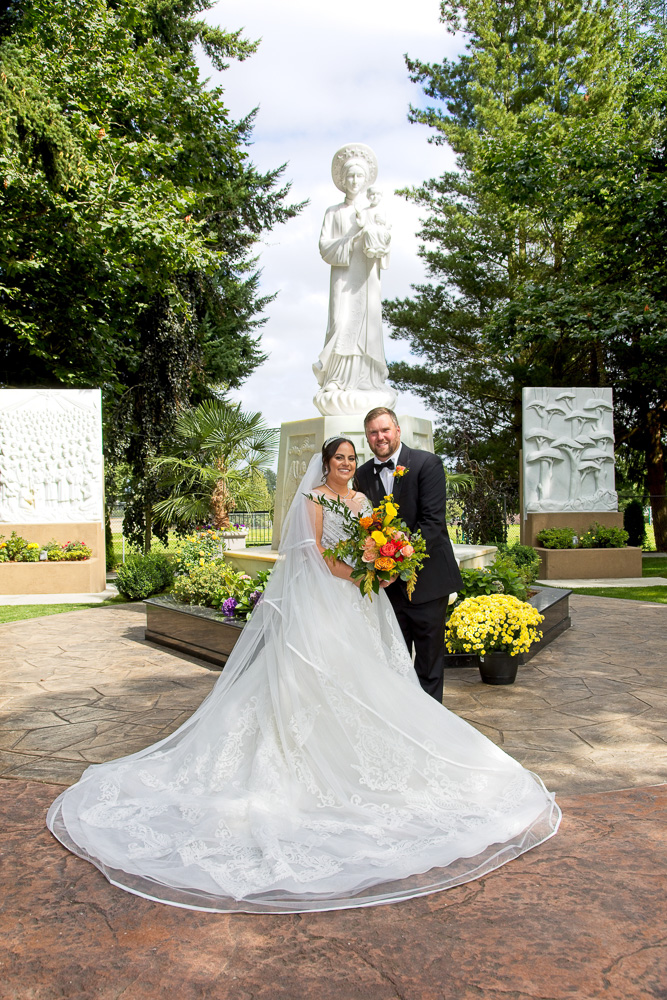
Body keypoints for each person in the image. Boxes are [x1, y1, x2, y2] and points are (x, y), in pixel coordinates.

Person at [47, 437, 560, 914]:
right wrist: (353, 571)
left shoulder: (362, 502)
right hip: (325, 600)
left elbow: (378, 539)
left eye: (350, 458)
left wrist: (379, 565)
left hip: (363, 602)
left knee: (373, 678)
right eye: (339, 457)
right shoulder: (315, 499)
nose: (346, 464)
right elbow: (310, 553)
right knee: (320, 678)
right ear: (326, 462)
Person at [354, 407, 463, 702]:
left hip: (427, 582)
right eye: (373, 433)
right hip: (389, 590)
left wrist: (397, 561)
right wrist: (380, 569)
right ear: (367, 437)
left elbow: (432, 522)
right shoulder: (362, 475)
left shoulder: (427, 464)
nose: (380, 437)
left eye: (385, 430)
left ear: (397, 431)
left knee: (428, 663)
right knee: (395, 661)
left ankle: (432, 724)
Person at [313, 147, 391, 396]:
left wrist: (373, 238)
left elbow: (384, 240)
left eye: (359, 176)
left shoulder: (374, 212)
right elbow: (325, 248)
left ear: (366, 179)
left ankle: (367, 378)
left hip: (366, 278)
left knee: (366, 324)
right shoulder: (333, 213)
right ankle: (335, 377)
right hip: (343, 277)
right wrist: (351, 237)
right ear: (342, 180)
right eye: (350, 176)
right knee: (340, 322)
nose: (354, 181)